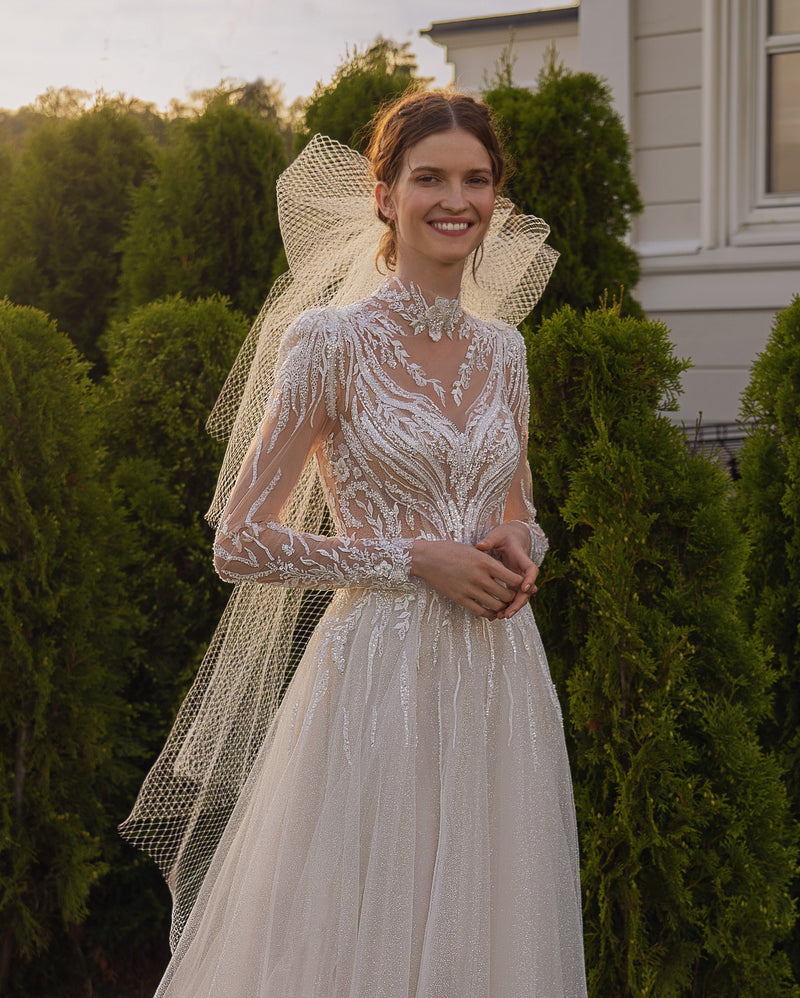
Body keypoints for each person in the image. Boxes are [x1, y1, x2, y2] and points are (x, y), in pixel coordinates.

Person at [122, 89, 588, 997]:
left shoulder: (505, 353)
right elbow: (243, 542)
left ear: (497, 198)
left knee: (490, 927)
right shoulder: (329, 341)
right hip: (378, 683)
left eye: (476, 179)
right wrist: (415, 557)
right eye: (430, 178)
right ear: (384, 195)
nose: (456, 199)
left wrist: (517, 547)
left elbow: (519, 506)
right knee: (359, 933)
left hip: (499, 682)